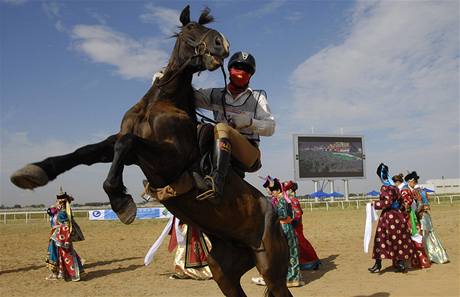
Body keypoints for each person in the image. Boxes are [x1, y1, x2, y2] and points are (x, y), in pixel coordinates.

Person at [194, 51, 275, 203]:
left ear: (251, 75)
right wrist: (167, 79)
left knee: (221, 128)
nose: (242, 71)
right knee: (201, 129)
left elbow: (271, 127)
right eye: (237, 67)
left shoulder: (258, 98)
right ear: (229, 69)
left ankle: (216, 183)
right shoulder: (215, 94)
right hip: (221, 150)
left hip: (249, 154)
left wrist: (249, 122)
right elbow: (188, 96)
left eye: (247, 69)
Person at [368, 164, 414, 273]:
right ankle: (400, 264)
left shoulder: (385, 187)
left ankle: (378, 265)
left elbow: (386, 202)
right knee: (398, 239)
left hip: (388, 217)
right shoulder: (395, 187)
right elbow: (401, 202)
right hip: (398, 216)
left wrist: (374, 204)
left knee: (380, 239)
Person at [268, 178, 304, 287]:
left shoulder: (282, 200)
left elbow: (283, 215)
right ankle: (292, 278)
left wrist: (272, 216)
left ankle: (292, 279)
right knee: (289, 253)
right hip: (286, 226)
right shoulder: (284, 199)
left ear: (278, 190)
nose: (272, 193)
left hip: (284, 227)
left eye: (273, 190)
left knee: (289, 253)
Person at [45, 190, 84, 281]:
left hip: (59, 237)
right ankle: (57, 273)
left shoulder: (62, 213)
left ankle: (57, 274)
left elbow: (66, 225)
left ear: (61, 203)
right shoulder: (57, 211)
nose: (56, 203)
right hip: (57, 236)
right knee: (58, 254)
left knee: (56, 254)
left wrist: (57, 227)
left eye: (58, 201)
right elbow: (50, 211)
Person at [283, 180, 320, 270]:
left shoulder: (293, 200)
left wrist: (293, 222)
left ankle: (311, 261)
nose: (285, 192)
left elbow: (298, 213)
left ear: (291, 190)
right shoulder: (290, 200)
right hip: (293, 225)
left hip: (295, 226)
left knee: (300, 242)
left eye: (286, 190)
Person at [400, 171, 431, 269]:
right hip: (409, 218)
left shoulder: (412, 191)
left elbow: (419, 204)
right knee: (411, 239)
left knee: (416, 238)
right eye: (414, 181)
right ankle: (412, 262)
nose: (416, 182)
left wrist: (416, 214)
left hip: (413, 217)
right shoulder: (406, 191)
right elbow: (407, 206)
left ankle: (417, 261)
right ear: (410, 181)